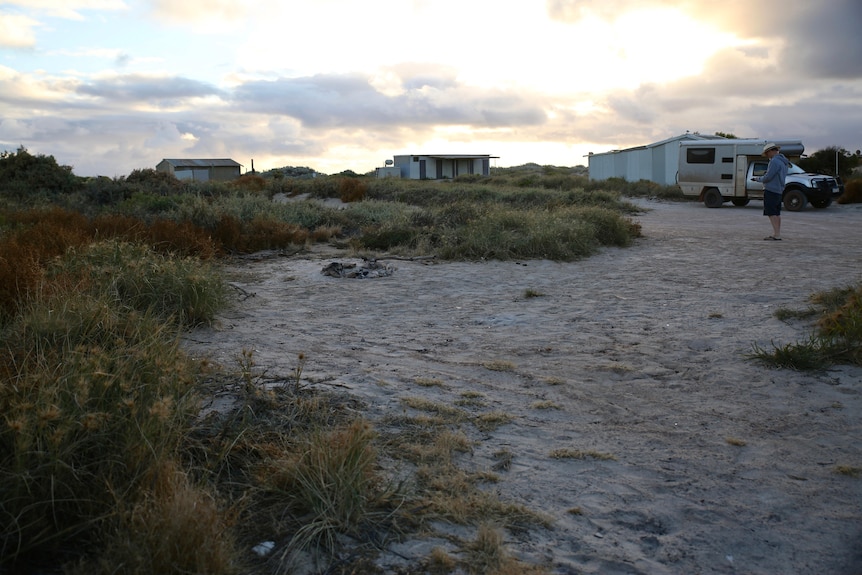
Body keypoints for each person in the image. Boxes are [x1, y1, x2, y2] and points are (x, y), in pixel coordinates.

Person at [752, 142, 790, 240]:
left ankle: (776, 235)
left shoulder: (774, 161)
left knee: (771, 212)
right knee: (777, 213)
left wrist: (758, 179)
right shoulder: (784, 161)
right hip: (779, 190)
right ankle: (777, 233)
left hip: (771, 190)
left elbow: (768, 177)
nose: (767, 155)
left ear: (771, 151)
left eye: (767, 153)